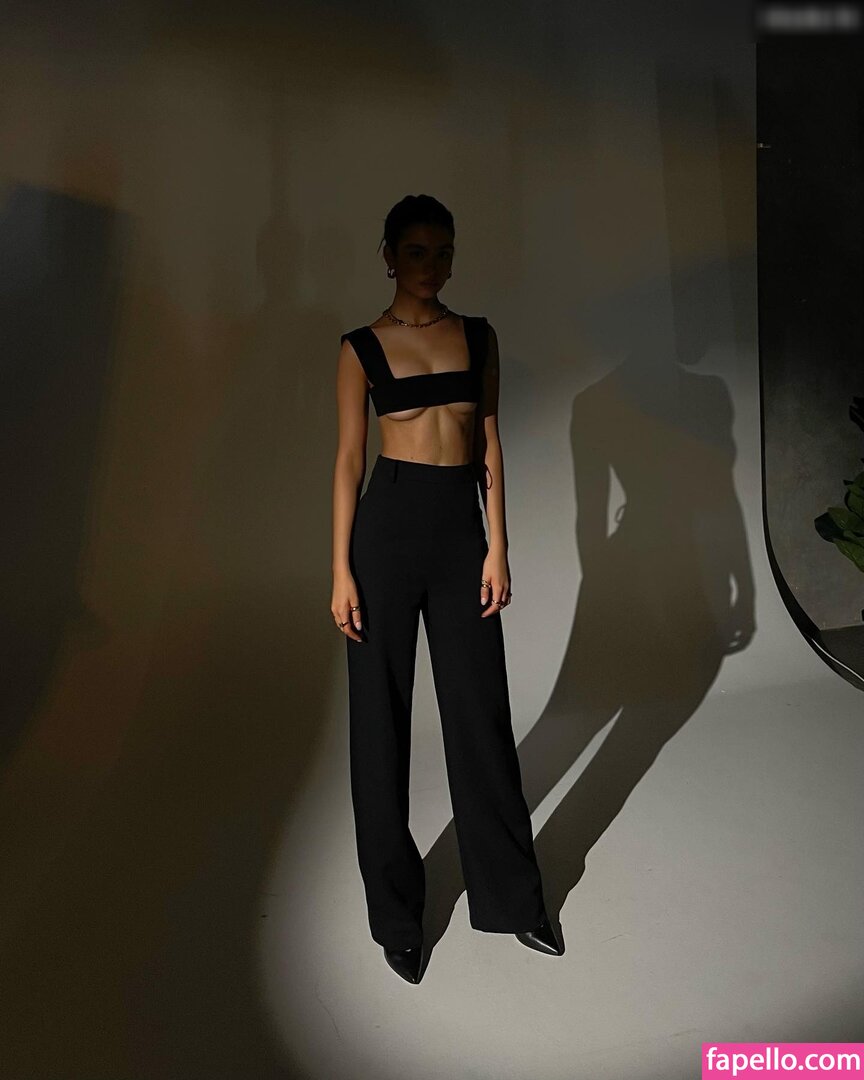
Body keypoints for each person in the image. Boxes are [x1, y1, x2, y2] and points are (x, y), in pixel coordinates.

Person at [331, 194, 563, 983]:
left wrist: (499, 545)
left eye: (443, 252)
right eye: (416, 252)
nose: (431, 266)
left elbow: (489, 442)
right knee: (380, 728)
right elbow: (348, 462)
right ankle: (397, 919)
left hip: (460, 534)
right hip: (385, 532)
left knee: (479, 716)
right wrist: (340, 569)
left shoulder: (479, 336)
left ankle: (513, 899)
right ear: (389, 256)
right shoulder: (360, 347)